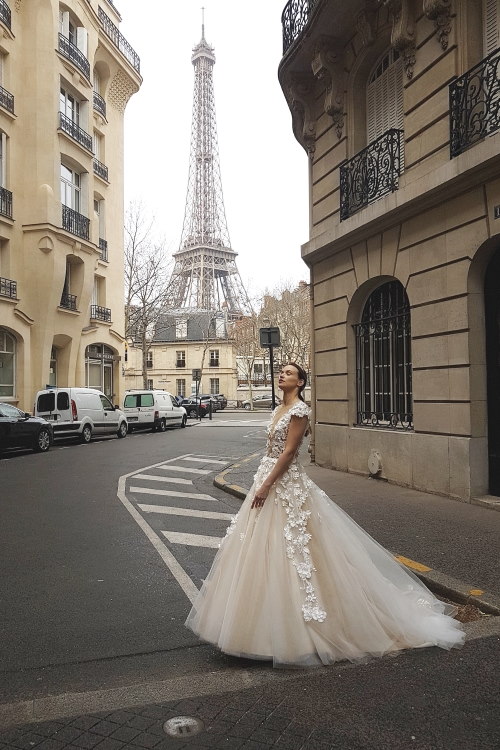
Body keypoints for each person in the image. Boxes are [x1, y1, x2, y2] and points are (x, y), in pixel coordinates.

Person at [185, 362, 465, 667]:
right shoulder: (279, 408)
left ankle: (300, 633)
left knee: (299, 550)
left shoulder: (299, 411)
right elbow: (271, 449)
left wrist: (266, 485)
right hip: (266, 479)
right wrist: (261, 482)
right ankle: (255, 627)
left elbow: (290, 453)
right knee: (260, 549)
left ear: (301, 382)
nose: (282, 375)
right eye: (281, 372)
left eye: (289, 373)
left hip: (284, 483)